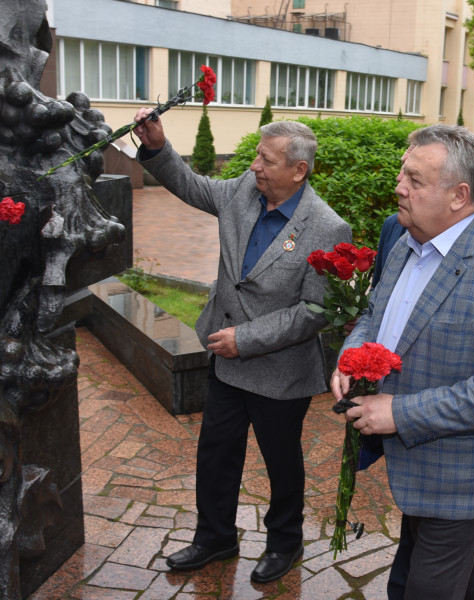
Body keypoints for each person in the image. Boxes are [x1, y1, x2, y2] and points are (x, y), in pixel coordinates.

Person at [132, 112, 352, 583]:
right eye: (256, 154)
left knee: (282, 463)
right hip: (225, 361)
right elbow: (191, 185)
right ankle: (214, 537)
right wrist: (157, 147)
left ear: (298, 170)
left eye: (266, 160)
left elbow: (316, 311)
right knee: (215, 453)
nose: (254, 165)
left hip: (279, 370)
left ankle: (284, 544)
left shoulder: (328, 228)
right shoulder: (241, 193)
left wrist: (246, 340)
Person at [332, 124, 474, 599]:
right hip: (421, 467)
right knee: (446, 580)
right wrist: (352, 356)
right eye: (402, 175)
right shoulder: (407, 239)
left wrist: (398, 413)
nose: (399, 187)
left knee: (415, 587)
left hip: (465, 472)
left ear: (459, 196)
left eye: (414, 179)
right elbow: (374, 313)